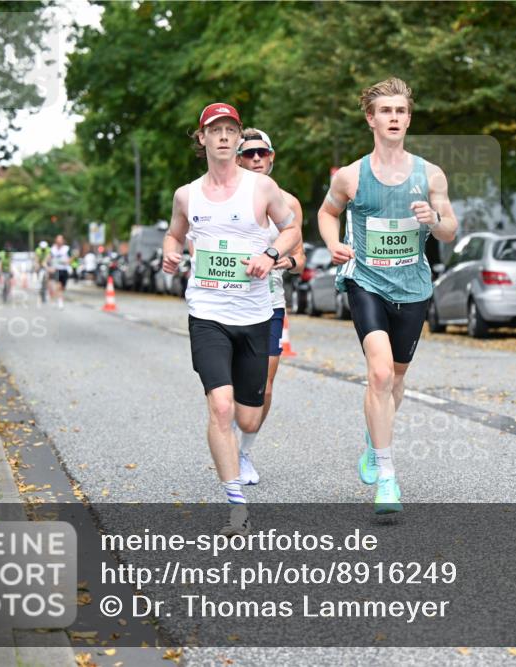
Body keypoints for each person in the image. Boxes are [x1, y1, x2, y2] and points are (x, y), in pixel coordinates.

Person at [318, 78, 458, 514]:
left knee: (396, 379)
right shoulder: (351, 176)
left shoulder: (429, 174)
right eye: (386, 111)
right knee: (378, 375)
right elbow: (327, 212)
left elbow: (451, 229)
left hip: (413, 285)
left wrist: (432, 219)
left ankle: (371, 437)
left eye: (401, 111)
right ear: (371, 119)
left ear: (408, 118)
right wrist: (332, 244)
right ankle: (387, 476)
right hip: (367, 281)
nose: (394, 117)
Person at [162, 102, 301, 513]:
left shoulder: (262, 189)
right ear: (201, 138)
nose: (223, 136)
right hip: (207, 313)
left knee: (248, 418)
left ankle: (245, 447)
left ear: (239, 138)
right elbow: (174, 235)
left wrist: (271, 253)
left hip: (256, 314)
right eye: (215, 130)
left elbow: (292, 227)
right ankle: (236, 504)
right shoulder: (186, 195)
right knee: (220, 406)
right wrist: (170, 255)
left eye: (230, 130)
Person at [233, 127, 307, 485]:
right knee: (229, 384)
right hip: (227, 302)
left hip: (269, 302)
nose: (257, 159)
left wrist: (283, 261)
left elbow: (301, 258)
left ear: (272, 157)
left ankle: (244, 452)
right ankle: (226, 430)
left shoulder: (288, 203)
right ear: (238, 159)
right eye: (249, 154)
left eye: (262, 153)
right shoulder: (221, 197)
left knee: (263, 385)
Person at [49, 234, 71, 309]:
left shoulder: (66, 249)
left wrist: (67, 261)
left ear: (63, 241)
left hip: (64, 270)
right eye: (58, 240)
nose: (59, 241)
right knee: (59, 286)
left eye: (60, 240)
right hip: (56, 270)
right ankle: (60, 301)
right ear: (56, 241)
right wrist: (49, 267)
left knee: (63, 287)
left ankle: (56, 297)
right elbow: (49, 258)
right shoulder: (53, 249)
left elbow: (70, 259)